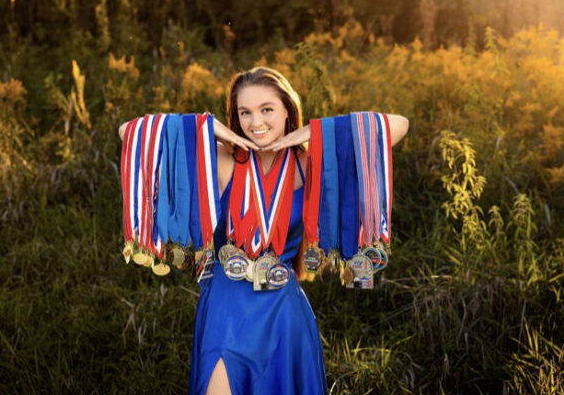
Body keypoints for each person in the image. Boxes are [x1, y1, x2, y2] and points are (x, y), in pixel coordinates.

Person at [118, 66, 409, 395]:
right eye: (245, 112)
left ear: (287, 108)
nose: (256, 123)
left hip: (282, 312)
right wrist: (205, 127)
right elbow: (130, 133)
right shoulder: (222, 159)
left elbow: (398, 126)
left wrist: (313, 132)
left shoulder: (308, 163)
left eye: (267, 109)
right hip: (226, 306)